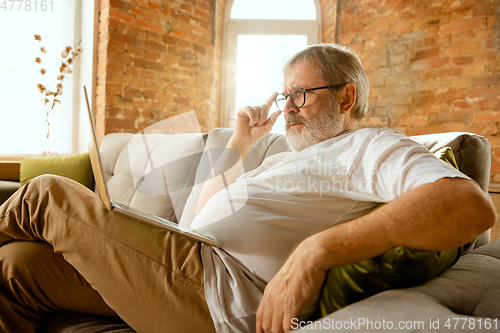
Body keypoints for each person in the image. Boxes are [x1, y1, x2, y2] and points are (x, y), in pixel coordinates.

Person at [0, 43, 495, 333]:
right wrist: (240, 143)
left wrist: (316, 250)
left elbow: (468, 205)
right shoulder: (283, 157)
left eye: (301, 94)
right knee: (18, 268)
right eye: (284, 96)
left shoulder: (368, 147)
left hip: (220, 293)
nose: (287, 108)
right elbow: (192, 223)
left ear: (347, 98)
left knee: (48, 194)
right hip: (187, 260)